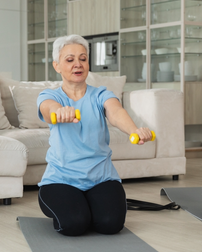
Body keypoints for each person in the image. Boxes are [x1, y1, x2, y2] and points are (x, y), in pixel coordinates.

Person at [37, 34, 153, 236]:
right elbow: (48, 109)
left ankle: (88, 207)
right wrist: (59, 111)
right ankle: (77, 209)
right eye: (70, 59)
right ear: (57, 66)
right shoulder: (51, 95)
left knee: (111, 225)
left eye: (83, 58)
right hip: (61, 179)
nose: (77, 64)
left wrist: (134, 130)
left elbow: (115, 112)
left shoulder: (100, 94)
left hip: (101, 177)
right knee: (74, 225)